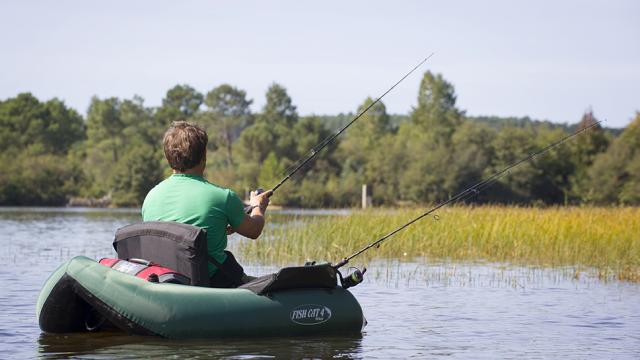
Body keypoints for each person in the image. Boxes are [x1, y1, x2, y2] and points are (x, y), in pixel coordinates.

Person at [141, 120, 272, 288]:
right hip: (209, 283)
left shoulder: (151, 197)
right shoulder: (223, 197)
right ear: (204, 156)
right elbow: (254, 230)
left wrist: (219, 226)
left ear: (168, 157)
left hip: (166, 280)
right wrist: (258, 207)